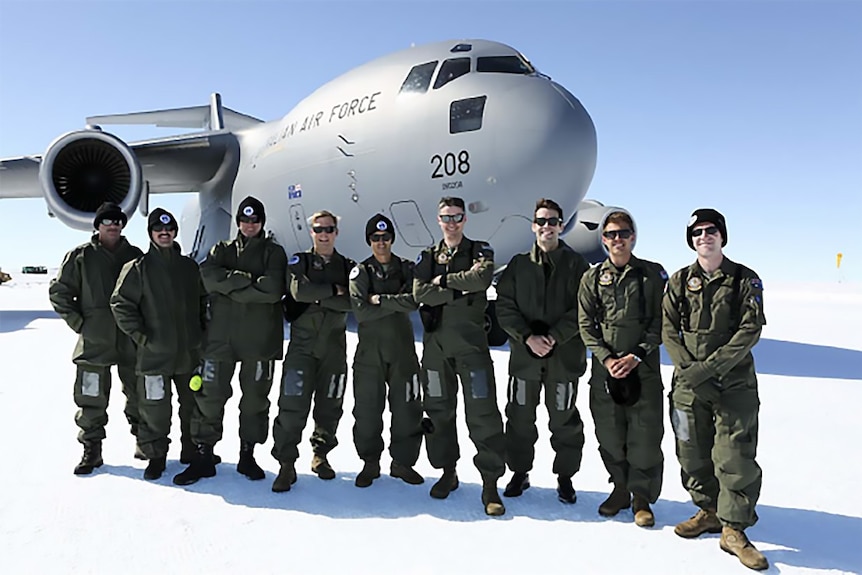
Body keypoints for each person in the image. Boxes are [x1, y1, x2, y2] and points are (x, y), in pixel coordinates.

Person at [662, 208, 768, 571]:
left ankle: (734, 529)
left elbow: (749, 331)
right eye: (697, 232)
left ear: (722, 236)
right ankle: (708, 511)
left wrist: (710, 368)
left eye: (711, 230)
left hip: (732, 385)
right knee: (691, 451)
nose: (704, 236)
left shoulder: (744, 280)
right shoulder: (678, 281)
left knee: (734, 456)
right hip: (689, 386)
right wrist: (690, 372)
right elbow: (668, 330)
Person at [173, 197, 287, 486]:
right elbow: (209, 278)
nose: (250, 225)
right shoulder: (220, 249)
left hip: (259, 341)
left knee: (255, 401)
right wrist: (249, 281)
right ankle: (203, 454)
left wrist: (231, 285)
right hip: (220, 339)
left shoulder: (274, 253)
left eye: (255, 220)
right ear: (238, 222)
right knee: (210, 397)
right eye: (245, 220)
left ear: (262, 222)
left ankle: (247, 454)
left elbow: (273, 289)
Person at [413, 196, 506, 516]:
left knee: (483, 414)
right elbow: (419, 292)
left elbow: (481, 278)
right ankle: (447, 472)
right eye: (445, 217)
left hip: (471, 348)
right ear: (438, 220)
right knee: (438, 413)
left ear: (464, 219)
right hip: (436, 349)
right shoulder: (427, 255)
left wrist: (443, 281)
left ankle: (490, 484)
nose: (451, 223)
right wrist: (458, 289)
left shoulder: (480, 251)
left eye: (456, 217)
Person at [496, 198, 590, 504]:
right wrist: (527, 337)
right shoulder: (518, 265)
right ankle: (520, 472)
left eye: (553, 221)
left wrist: (553, 336)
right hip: (525, 361)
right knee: (520, 417)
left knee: (564, 421)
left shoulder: (577, 266)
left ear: (562, 226)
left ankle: (565, 478)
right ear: (533, 226)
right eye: (541, 221)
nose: (546, 227)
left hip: (562, 359)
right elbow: (505, 307)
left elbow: (583, 308)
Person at [578, 211, 667, 527]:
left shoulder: (651, 275)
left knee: (644, 434)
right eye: (611, 234)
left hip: (642, 368)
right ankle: (619, 489)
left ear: (633, 237)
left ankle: (641, 497)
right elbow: (586, 324)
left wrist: (637, 355)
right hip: (606, 370)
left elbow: (661, 321)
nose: (618, 239)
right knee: (610, 432)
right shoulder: (592, 278)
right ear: (603, 239)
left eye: (623, 233)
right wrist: (606, 358)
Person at [111, 208, 207, 480]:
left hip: (188, 355)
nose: (164, 233)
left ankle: (191, 451)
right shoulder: (138, 268)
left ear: (175, 232)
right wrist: (141, 337)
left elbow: (202, 302)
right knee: (154, 408)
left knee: (191, 406)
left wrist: (201, 333)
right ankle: (156, 456)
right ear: (152, 234)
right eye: (158, 230)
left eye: (169, 229)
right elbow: (121, 304)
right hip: (154, 356)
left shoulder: (189, 268)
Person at [49, 202, 144, 475]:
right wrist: (81, 323)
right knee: (90, 395)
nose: (113, 225)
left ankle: (143, 439)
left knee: (138, 392)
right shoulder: (80, 257)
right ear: (97, 225)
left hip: (130, 338)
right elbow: (60, 293)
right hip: (94, 341)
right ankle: (92, 449)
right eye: (107, 221)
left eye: (117, 221)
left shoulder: (135, 255)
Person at [271, 210, 355, 492]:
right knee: (292, 405)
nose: (324, 234)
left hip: (334, 348)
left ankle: (321, 455)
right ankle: (286, 463)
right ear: (311, 232)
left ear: (336, 232)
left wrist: (319, 294)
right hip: (302, 348)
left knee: (330, 405)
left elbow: (352, 303)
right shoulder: (300, 262)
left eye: (329, 229)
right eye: (319, 229)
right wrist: (334, 290)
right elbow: (299, 293)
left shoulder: (348, 266)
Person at [348, 214, 425, 488]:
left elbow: (414, 301)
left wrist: (380, 299)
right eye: (375, 238)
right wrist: (395, 303)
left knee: (407, 409)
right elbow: (361, 312)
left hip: (402, 350)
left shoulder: (405, 268)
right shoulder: (361, 272)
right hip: (370, 354)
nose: (381, 243)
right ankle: (370, 462)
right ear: (369, 241)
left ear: (392, 239)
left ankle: (402, 463)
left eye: (385, 238)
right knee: (368, 410)